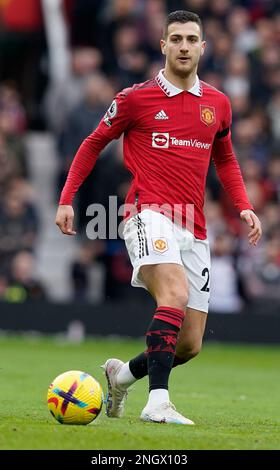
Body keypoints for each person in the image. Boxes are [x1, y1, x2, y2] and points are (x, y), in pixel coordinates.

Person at [55, 11, 262, 425]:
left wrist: (243, 205)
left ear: (203, 47)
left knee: (188, 344)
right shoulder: (136, 98)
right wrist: (66, 198)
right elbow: (93, 143)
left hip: (195, 226)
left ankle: (122, 376)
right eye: (176, 39)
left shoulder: (218, 104)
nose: (184, 47)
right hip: (147, 213)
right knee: (174, 295)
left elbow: (226, 158)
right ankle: (158, 402)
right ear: (163, 45)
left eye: (191, 39)